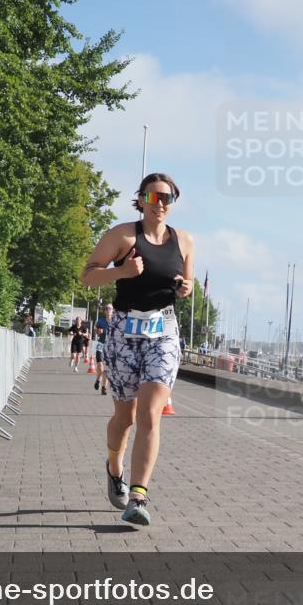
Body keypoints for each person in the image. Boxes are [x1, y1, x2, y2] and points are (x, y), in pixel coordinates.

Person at [80, 173, 193, 526]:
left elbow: (187, 285)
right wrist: (122, 272)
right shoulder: (122, 235)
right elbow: (87, 275)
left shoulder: (185, 241)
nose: (160, 203)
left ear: (174, 201)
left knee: (150, 414)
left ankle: (139, 496)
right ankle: (115, 468)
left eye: (167, 197)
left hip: (164, 333)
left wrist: (185, 289)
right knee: (125, 418)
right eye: (153, 196)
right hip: (124, 333)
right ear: (142, 199)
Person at [94, 304, 114, 395]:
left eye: (109, 308)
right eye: (106, 308)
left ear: (112, 310)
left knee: (107, 369)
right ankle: (98, 379)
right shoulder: (101, 321)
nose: (108, 310)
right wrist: (98, 331)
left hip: (111, 346)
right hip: (100, 344)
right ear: (104, 311)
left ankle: (103, 387)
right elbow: (97, 331)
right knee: (100, 366)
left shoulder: (116, 321)